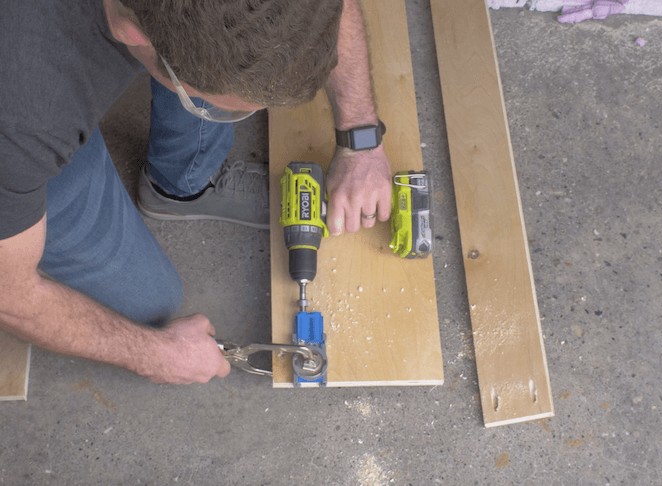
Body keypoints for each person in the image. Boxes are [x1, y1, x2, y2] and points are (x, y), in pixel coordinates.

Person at [0, 0, 392, 384]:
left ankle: (183, 185)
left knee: (212, 70)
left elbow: (320, 10)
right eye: (222, 108)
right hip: (26, 116)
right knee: (152, 302)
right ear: (130, 33)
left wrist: (360, 139)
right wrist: (154, 354)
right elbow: (12, 297)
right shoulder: (23, 124)